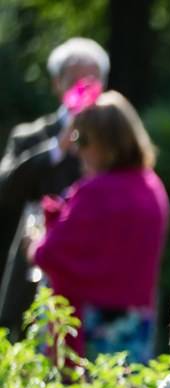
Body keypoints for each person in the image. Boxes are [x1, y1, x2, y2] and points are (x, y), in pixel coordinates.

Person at [25, 90, 168, 362]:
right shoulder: (152, 186)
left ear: (107, 141)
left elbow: (49, 255)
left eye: (82, 139)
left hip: (94, 325)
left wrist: (34, 242)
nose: (76, 150)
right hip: (136, 322)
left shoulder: (95, 191)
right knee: (127, 387)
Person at [0, 38, 109, 338]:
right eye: (74, 81)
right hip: (34, 283)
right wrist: (57, 149)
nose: (83, 89)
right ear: (57, 84)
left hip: (94, 281)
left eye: (91, 81)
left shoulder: (115, 140)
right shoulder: (31, 136)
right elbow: (6, 189)